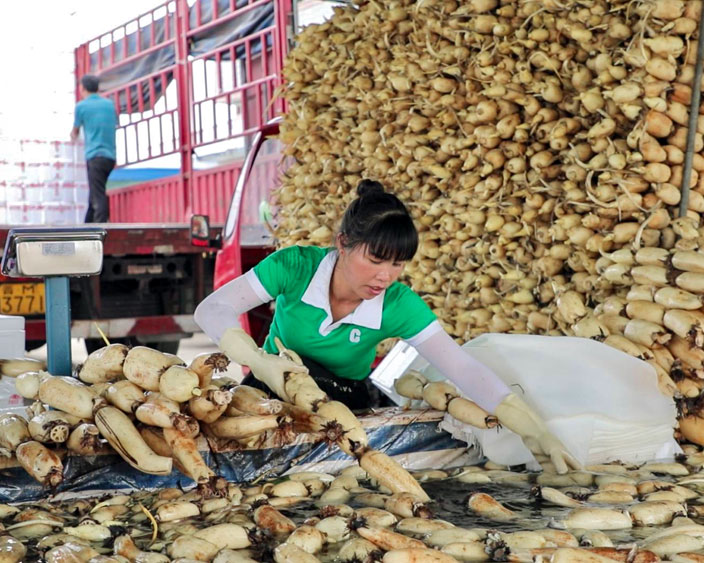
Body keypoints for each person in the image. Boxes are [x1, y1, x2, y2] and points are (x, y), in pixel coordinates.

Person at [194, 179, 578, 473]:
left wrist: (531, 427)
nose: (386, 276)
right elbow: (212, 310)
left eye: (398, 263)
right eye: (376, 259)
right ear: (343, 243)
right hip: (268, 393)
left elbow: (462, 368)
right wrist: (260, 362)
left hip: (344, 403)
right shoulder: (294, 267)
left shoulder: (397, 304)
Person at [70, 74, 117, 223]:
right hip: (110, 156)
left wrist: (72, 136)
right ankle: (87, 224)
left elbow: (75, 131)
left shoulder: (81, 106)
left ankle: (100, 228)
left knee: (98, 195)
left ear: (82, 88)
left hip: (95, 155)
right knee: (95, 191)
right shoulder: (109, 104)